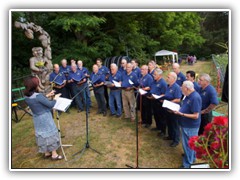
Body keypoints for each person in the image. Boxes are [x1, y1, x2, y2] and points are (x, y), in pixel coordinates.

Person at [23, 76, 63, 160]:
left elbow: (37, 100)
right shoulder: (38, 96)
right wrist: (55, 98)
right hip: (45, 117)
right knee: (50, 133)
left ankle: (46, 153)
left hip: (37, 118)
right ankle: (54, 155)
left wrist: (47, 95)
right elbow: (50, 105)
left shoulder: (26, 96)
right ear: (34, 85)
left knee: (42, 134)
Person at [174, 81, 202, 168]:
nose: (181, 89)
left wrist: (181, 114)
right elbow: (184, 106)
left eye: (182, 87)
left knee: (189, 145)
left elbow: (195, 115)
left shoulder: (195, 97)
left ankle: (187, 164)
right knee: (189, 144)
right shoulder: (188, 95)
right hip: (185, 124)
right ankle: (191, 157)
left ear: (187, 88)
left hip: (190, 126)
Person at [163, 72, 182, 147]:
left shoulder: (176, 87)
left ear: (173, 79)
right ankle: (170, 136)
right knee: (169, 123)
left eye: (168, 77)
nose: (167, 78)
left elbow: (178, 99)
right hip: (168, 108)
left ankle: (176, 140)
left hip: (174, 109)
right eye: (167, 77)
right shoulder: (168, 86)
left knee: (175, 125)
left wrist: (170, 102)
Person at [148, 68, 167, 135]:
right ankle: (158, 127)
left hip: (159, 102)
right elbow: (151, 88)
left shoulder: (163, 83)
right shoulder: (154, 81)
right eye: (153, 74)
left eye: (155, 74)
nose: (153, 75)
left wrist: (156, 96)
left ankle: (163, 130)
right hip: (153, 100)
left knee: (161, 117)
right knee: (156, 115)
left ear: (160, 75)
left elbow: (164, 94)